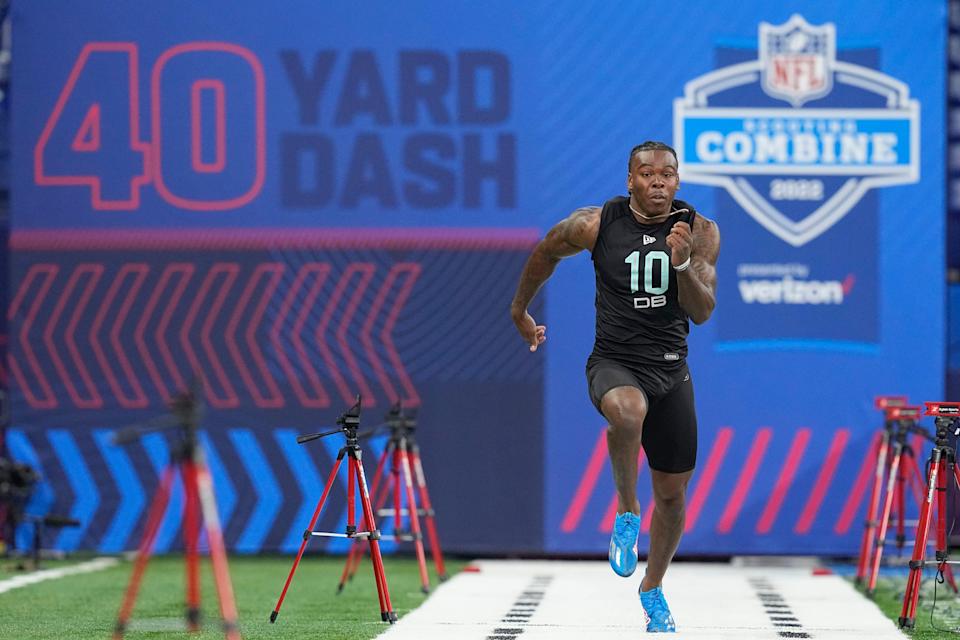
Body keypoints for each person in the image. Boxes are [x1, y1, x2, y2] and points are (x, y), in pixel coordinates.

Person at [509, 141, 719, 633]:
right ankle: (627, 510)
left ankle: (653, 588)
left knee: (672, 497)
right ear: (630, 181)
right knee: (626, 412)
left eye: (668, 174)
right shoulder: (596, 224)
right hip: (615, 361)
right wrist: (520, 310)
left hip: (671, 370)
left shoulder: (701, 231)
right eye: (647, 174)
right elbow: (546, 251)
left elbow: (704, 311)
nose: (658, 182)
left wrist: (684, 264)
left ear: (678, 181)